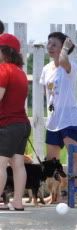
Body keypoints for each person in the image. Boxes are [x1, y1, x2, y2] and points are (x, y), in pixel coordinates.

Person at [40, 31, 77, 200]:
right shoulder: (46, 69)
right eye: (49, 43)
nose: (50, 47)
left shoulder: (70, 65)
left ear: (63, 47)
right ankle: (55, 195)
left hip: (70, 119)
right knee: (52, 162)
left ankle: (72, 192)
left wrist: (65, 48)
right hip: (53, 121)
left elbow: (63, 61)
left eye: (54, 45)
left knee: (74, 157)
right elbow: (48, 94)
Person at [0, 33, 30, 211]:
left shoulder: (3, 69)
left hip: (8, 125)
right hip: (22, 124)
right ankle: (18, 201)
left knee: (0, 163)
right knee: (18, 164)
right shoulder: (20, 72)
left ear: (5, 51)